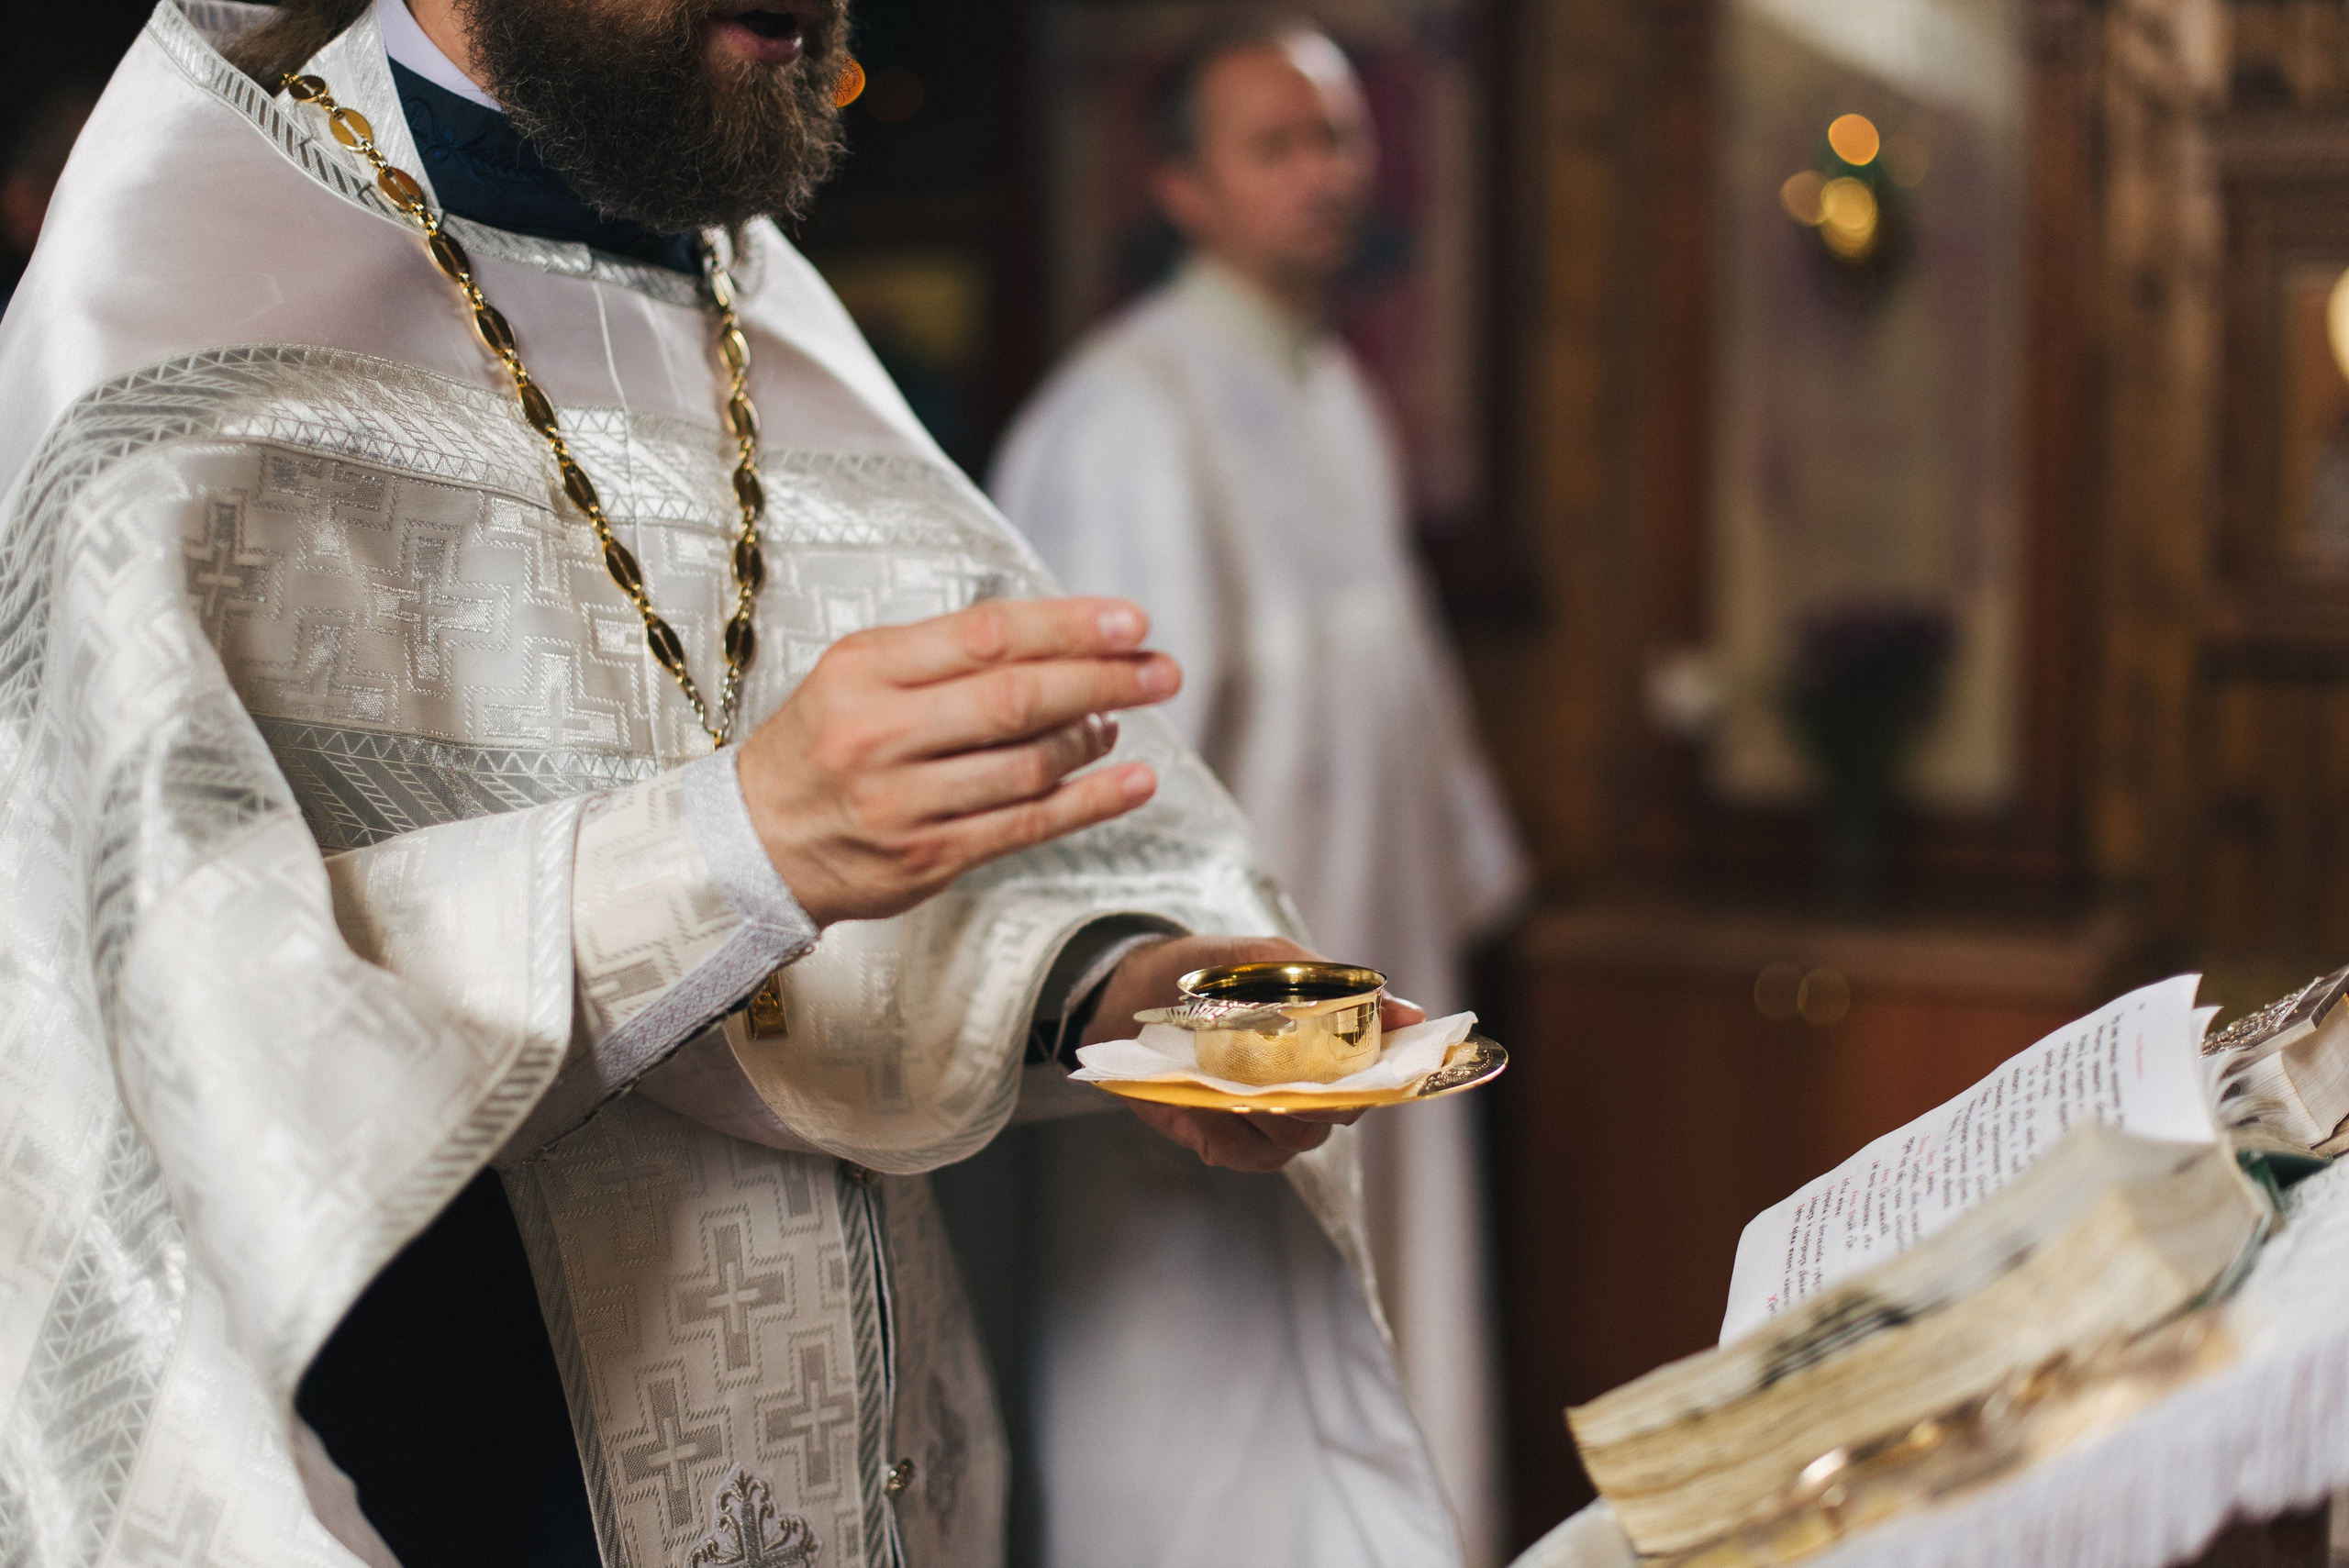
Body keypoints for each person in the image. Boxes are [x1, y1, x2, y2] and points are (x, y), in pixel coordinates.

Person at [0, 2, 1464, 1566]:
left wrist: (1119, 987)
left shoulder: (757, 295)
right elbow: (162, 1027)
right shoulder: (168, 319)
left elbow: (889, 897)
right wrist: (733, 847)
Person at [990, 20, 1529, 1566]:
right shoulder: (1126, 419)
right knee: (1214, 1437)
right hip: (1220, 1050)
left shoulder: (1333, 392)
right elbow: (1108, 782)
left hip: (1374, 984)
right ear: (1181, 186)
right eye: (1275, 145)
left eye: (1339, 137)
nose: (1324, 174)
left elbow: (1405, 698)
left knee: (1390, 1380)